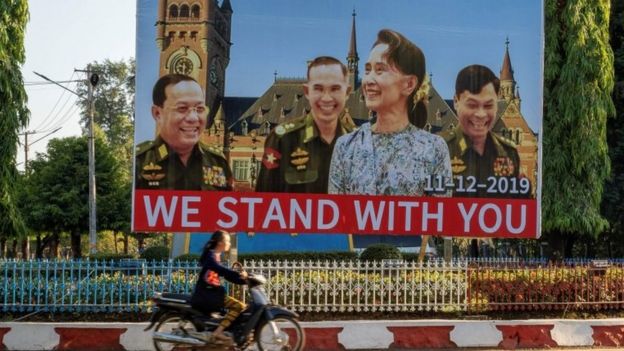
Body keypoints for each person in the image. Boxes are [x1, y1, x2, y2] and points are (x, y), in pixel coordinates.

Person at [329, 29, 451, 196]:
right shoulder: (345, 147)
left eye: (380, 70)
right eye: (367, 70)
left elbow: (439, 217)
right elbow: (336, 216)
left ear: (409, 84)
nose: (368, 80)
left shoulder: (434, 149)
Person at [255, 56, 355, 193]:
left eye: (335, 89)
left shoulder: (359, 142)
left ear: (347, 93)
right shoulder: (282, 140)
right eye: (319, 89)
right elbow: (264, 201)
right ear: (307, 92)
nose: (327, 98)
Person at [135, 74, 232, 191]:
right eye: (182, 108)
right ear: (157, 114)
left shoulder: (218, 162)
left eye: (200, 109)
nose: (193, 118)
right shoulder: (139, 161)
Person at [440, 64, 522, 198]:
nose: (481, 114)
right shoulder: (438, 147)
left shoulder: (509, 152)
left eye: (488, 105)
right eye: (472, 104)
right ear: (456, 102)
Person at [190, 230, 248, 343]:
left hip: (211, 294)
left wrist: (245, 280)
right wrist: (238, 274)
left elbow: (225, 275)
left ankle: (222, 330)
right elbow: (221, 270)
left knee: (238, 306)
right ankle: (218, 332)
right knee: (239, 306)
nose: (229, 244)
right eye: (228, 241)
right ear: (221, 243)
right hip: (207, 295)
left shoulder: (215, 256)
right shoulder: (211, 257)